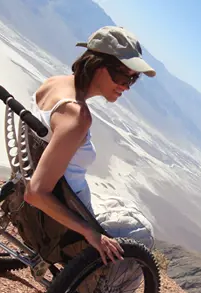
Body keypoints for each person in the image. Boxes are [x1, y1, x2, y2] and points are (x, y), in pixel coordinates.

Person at [23, 26, 157, 266]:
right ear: (97, 66)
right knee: (144, 233)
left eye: (132, 79)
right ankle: (89, 292)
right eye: (122, 76)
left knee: (122, 206)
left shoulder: (54, 83)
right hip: (68, 216)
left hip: (62, 194)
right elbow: (36, 192)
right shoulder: (77, 117)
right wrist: (89, 233)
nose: (126, 86)